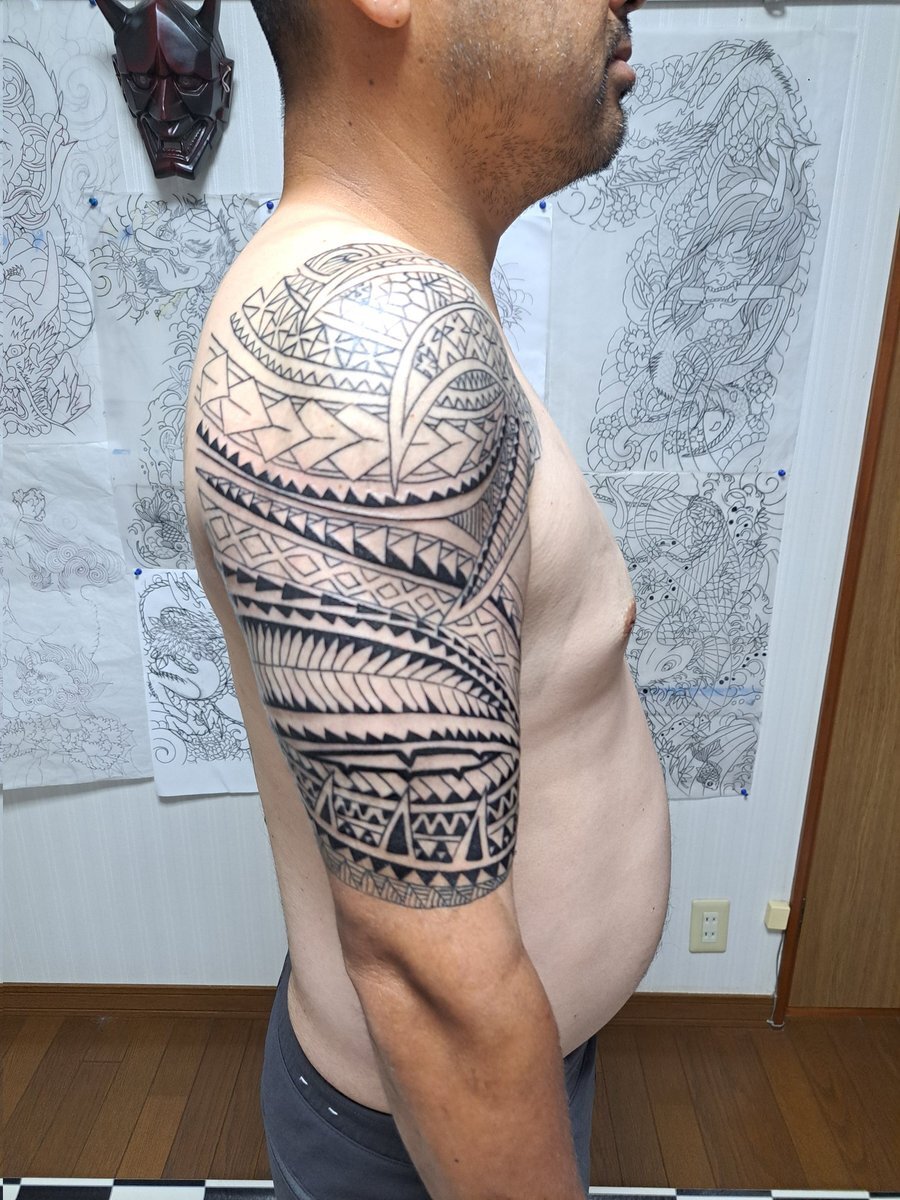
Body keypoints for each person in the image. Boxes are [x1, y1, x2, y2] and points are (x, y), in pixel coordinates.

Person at [183, 1, 669, 1197]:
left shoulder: (408, 296)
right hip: (426, 1130)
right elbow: (431, 982)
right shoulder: (361, 345)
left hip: (489, 1085)